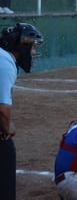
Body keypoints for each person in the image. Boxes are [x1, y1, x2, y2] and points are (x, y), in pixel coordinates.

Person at [0, 23, 44, 200]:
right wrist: (7, 127)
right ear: (21, 46)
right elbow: (3, 110)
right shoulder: (5, 64)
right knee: (6, 148)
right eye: (32, 47)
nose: (33, 52)